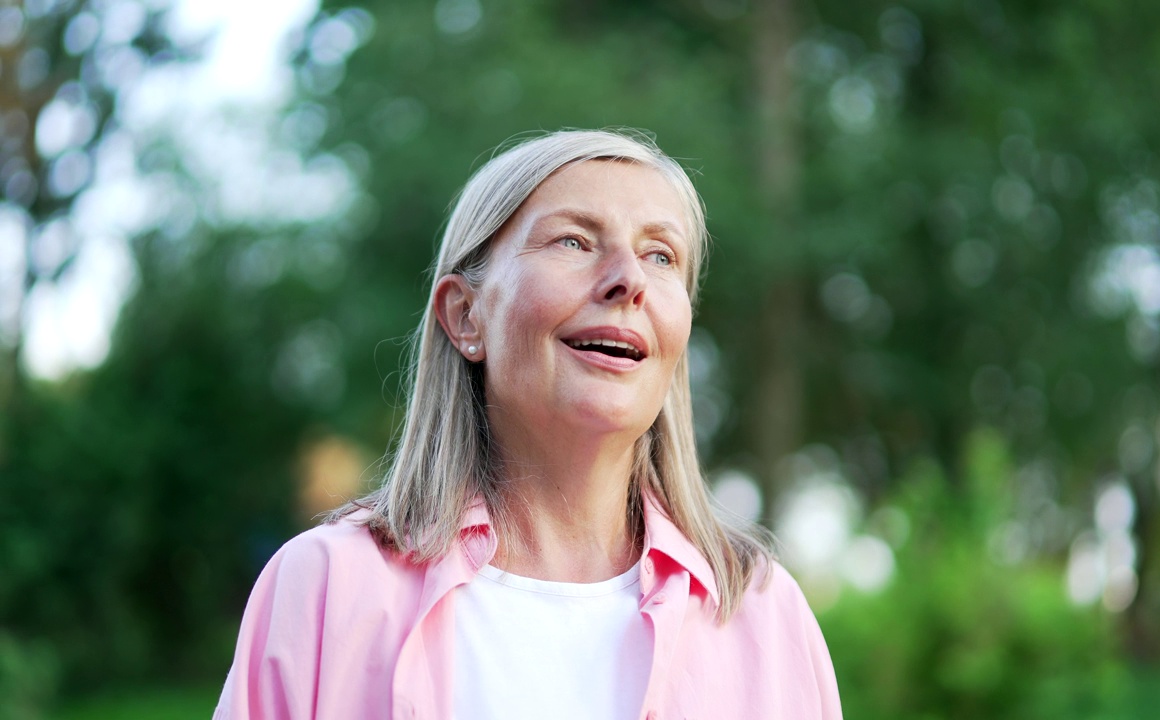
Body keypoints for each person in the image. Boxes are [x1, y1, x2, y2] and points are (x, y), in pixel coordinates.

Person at [214, 129, 841, 719]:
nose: (629, 281)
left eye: (660, 254)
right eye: (574, 240)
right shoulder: (324, 589)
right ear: (465, 317)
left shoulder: (763, 612)